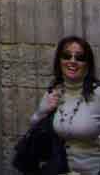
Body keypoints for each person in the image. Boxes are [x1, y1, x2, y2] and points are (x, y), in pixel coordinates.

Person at [29, 36, 100, 174]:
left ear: (87, 64)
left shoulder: (97, 93)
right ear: (59, 61)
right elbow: (33, 126)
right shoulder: (53, 92)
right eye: (67, 56)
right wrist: (41, 112)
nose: (72, 61)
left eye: (79, 57)